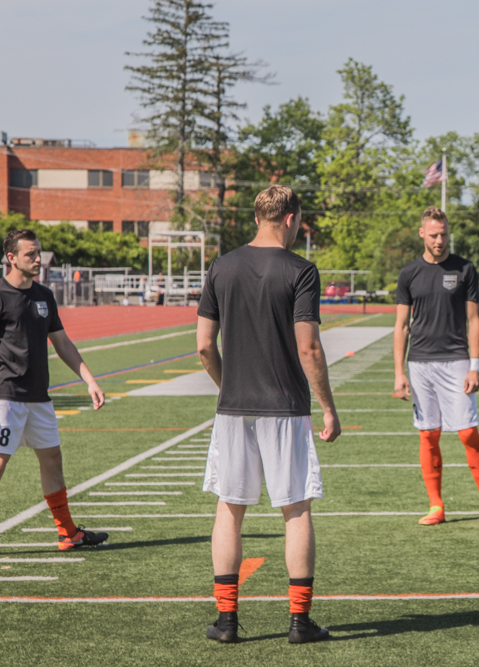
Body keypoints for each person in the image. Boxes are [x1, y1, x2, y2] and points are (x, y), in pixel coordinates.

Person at [196, 185, 340, 645]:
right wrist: (329, 406)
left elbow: (202, 345)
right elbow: (309, 346)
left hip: (234, 408)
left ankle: (227, 622)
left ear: (257, 216)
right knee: (295, 509)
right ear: (292, 218)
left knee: (229, 509)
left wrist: (228, 385)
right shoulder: (301, 270)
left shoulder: (221, 266)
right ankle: (299, 623)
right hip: (286, 407)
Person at [0, 229, 108, 558]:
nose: (38, 259)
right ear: (11, 258)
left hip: (38, 395)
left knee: (52, 459)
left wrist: (89, 380)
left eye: (38, 252)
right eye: (31, 254)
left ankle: (68, 534)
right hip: (3, 395)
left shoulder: (43, 295)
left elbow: (63, 343)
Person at [393, 206, 479, 527]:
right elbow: (401, 325)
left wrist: (475, 366)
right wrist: (399, 373)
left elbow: (474, 320)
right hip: (420, 365)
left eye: (444, 234)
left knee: (468, 432)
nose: (440, 240)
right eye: (434, 235)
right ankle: (436, 506)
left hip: (457, 361)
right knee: (428, 435)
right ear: (422, 234)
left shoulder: (465, 269)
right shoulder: (408, 274)